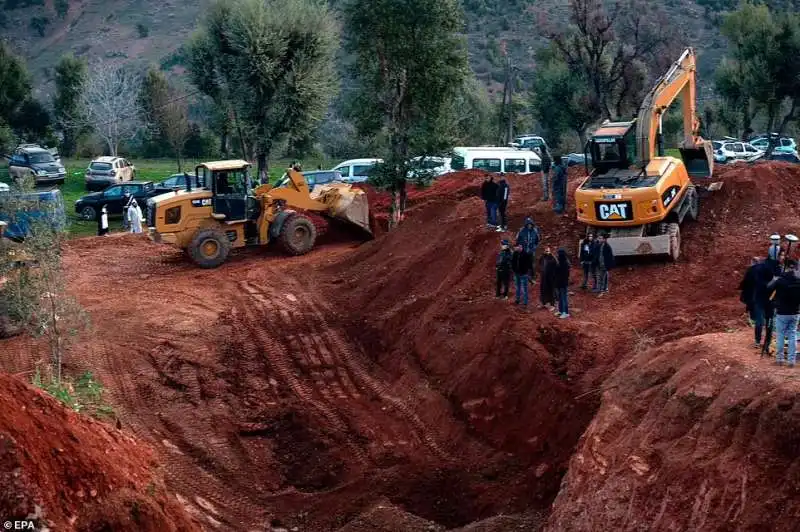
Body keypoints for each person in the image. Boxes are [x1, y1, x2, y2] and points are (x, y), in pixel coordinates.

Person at [767, 259, 800, 366]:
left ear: (785, 267)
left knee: (780, 335)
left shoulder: (780, 280)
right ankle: (791, 360)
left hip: (782, 312)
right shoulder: (798, 280)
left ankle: (780, 359)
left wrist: (775, 279)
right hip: (795, 312)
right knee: (792, 335)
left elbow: (768, 288)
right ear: (795, 268)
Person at [555, 248, 571, 318]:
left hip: (563, 283)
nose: (557, 255)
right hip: (559, 283)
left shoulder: (565, 263)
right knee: (560, 298)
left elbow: (565, 275)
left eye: (558, 254)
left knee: (564, 298)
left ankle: (566, 312)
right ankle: (560, 311)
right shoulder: (560, 262)